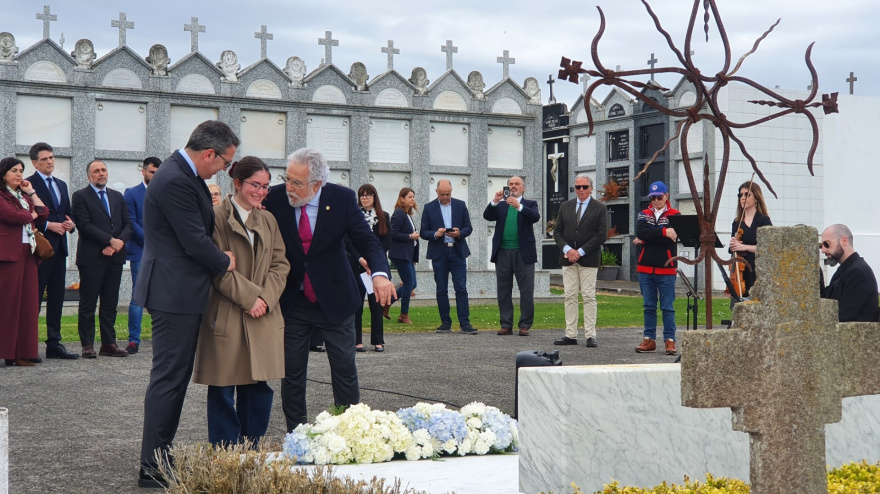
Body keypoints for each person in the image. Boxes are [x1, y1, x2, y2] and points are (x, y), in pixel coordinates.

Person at [136, 120, 239, 488]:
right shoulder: (176, 179)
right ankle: (153, 466)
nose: (225, 169)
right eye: (226, 162)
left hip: (177, 290)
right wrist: (225, 260)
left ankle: (160, 455)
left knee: (173, 378)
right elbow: (194, 240)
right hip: (173, 292)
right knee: (169, 378)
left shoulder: (180, 172)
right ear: (209, 153)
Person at [263, 148, 394, 431]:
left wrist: (380, 274)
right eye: (287, 179)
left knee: (344, 370)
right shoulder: (274, 198)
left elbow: (367, 240)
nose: (289, 187)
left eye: (296, 183)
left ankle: (348, 433)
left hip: (335, 298)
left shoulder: (341, 199)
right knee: (292, 374)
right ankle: (297, 435)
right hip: (293, 299)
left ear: (317, 184)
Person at [192, 157, 290, 448]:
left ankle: (251, 448)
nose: (260, 192)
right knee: (223, 387)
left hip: (263, 314)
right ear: (236, 183)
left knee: (259, 386)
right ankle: (225, 455)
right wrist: (250, 298)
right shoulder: (215, 218)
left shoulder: (268, 220)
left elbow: (280, 265)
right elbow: (215, 268)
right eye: (254, 185)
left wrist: (265, 299)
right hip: (227, 313)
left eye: (265, 186)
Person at [71, 160, 133, 358]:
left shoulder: (117, 196)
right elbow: (84, 225)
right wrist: (109, 240)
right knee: (88, 303)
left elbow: (128, 224)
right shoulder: (80, 196)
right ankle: (87, 345)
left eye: (103, 170)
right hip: (92, 258)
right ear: (89, 176)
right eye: (96, 171)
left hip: (115, 257)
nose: (101, 173)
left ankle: (108, 344)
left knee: (110, 303)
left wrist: (116, 244)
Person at [28, 142, 78, 360]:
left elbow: (67, 213)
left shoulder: (61, 184)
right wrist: (48, 225)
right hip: (40, 249)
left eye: (51, 158)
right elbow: (27, 216)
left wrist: (71, 224)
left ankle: (54, 344)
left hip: (60, 249)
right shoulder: (28, 184)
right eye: (45, 159)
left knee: (57, 298)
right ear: (34, 163)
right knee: (35, 298)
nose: (50, 162)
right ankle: (28, 346)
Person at [0, 157, 48, 366]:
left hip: (28, 254)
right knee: (8, 304)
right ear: (3, 174)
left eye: (21, 171)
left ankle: (21, 352)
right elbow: (13, 216)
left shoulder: (23, 196)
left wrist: (32, 192)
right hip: (9, 255)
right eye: (14, 170)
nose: (19, 174)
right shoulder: (2, 195)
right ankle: (6, 351)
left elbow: (43, 213)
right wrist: (31, 215)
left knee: (27, 304)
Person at [552, 176, 607, 347]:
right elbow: (557, 232)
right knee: (569, 296)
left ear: (591, 188)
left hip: (589, 259)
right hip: (567, 259)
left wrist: (580, 252)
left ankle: (590, 335)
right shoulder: (565, 206)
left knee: (589, 296)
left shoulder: (600, 208)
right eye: (578, 187)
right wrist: (568, 250)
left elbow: (601, 235)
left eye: (584, 186)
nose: (581, 190)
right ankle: (570, 334)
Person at [483, 176, 540, 336]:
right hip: (503, 252)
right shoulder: (501, 205)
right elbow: (487, 216)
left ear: (523, 188)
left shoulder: (529, 204)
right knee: (503, 290)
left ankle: (525, 324)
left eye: (517, 184)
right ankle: (506, 324)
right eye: (511, 184)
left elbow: (535, 217)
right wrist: (495, 201)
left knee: (526, 290)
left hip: (523, 253)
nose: (513, 186)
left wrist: (518, 206)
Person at [420, 179, 476, 334]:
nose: (445, 197)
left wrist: (459, 233)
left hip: (457, 252)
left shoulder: (460, 205)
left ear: (451, 192)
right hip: (439, 253)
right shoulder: (429, 208)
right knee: (441, 289)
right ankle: (445, 323)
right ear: (436, 192)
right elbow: (423, 231)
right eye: (442, 194)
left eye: (448, 194)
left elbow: (468, 227)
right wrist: (435, 234)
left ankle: (465, 323)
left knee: (461, 288)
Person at [634, 181, 680, 355]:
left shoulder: (675, 214)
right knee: (649, 306)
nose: (656, 201)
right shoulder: (643, 214)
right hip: (645, 269)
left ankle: (670, 340)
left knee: (667, 307)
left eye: (659, 197)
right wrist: (663, 232)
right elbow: (641, 232)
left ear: (666, 196)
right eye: (652, 198)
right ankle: (649, 339)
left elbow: (672, 239)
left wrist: (647, 239)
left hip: (666, 269)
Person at [123, 157, 161, 354]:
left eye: (158, 172)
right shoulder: (131, 193)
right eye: (152, 172)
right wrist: (151, 242)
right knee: (137, 297)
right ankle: (133, 340)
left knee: (162, 297)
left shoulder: (166, 193)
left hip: (164, 254)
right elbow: (130, 221)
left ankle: (161, 339)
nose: (155, 176)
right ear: (144, 172)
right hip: (141, 251)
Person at [349, 184, 391, 352]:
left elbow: (387, 241)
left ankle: (378, 341)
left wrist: (374, 262)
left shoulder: (384, 216)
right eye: (362, 195)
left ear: (374, 197)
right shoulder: (353, 217)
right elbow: (348, 242)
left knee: (377, 304)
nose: (365, 198)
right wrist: (361, 259)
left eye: (368, 195)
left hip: (376, 268)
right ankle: (357, 341)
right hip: (357, 265)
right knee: (356, 304)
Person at [820, 224, 880, 322]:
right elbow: (827, 299)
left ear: (844, 241)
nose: (823, 250)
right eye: (821, 246)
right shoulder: (847, 269)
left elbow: (843, 317)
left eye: (826, 244)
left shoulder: (858, 272)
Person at [728, 181, 772, 298]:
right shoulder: (737, 222)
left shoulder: (763, 220)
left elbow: (768, 248)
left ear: (756, 198)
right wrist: (732, 244)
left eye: (747, 194)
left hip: (757, 269)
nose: (743, 198)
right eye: (740, 195)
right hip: (740, 271)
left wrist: (744, 247)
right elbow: (732, 250)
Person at [389, 188, 420, 325]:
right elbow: (393, 234)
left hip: (407, 255)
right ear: (402, 199)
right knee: (408, 284)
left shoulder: (407, 214)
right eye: (409, 197)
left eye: (413, 197)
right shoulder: (398, 214)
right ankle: (404, 314)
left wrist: (414, 258)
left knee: (413, 283)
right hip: (400, 255)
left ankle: (387, 303)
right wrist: (410, 236)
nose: (412, 199)